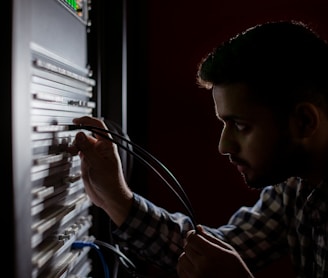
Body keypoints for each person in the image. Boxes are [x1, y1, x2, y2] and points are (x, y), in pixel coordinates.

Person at [69, 20, 328, 277]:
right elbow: (213, 252)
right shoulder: (294, 186)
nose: (223, 146)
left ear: (304, 121)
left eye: (240, 125)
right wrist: (117, 198)